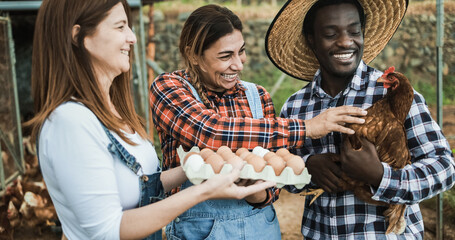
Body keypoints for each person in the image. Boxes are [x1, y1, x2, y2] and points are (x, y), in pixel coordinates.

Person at [25, 0, 280, 239]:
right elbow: (107, 231)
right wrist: (204, 190)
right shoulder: (69, 121)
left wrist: (193, 168)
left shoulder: (110, 113)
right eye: (120, 26)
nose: (132, 38)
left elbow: (143, 189)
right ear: (80, 37)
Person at [149, 4, 369, 240]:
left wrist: (255, 192)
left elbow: (274, 182)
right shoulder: (169, 88)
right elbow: (210, 132)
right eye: (226, 56)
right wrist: (306, 128)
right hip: (200, 230)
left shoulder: (257, 96)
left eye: (240, 51)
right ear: (193, 54)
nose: (239, 64)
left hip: (261, 228)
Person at [266, 0, 455, 239]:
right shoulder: (296, 105)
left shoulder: (391, 93)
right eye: (330, 33)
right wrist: (307, 167)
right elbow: (280, 170)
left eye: (354, 32)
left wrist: (380, 176)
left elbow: (444, 167)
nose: (345, 41)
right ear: (311, 39)